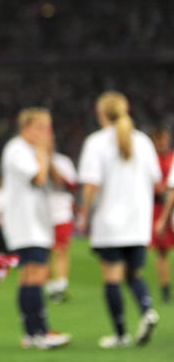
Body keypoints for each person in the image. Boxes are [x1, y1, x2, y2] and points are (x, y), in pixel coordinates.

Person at [77, 91, 161, 348]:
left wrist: (84, 213)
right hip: (138, 222)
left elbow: (92, 184)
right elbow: (156, 180)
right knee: (134, 274)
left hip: (109, 222)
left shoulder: (96, 142)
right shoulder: (143, 141)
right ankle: (147, 309)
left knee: (112, 277)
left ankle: (121, 333)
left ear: (100, 113)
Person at [0, 107, 71, 349]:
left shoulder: (28, 150)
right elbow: (38, 178)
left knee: (30, 276)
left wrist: (45, 152)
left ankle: (33, 332)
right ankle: (38, 331)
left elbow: (58, 181)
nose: (47, 133)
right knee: (35, 275)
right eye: (41, 127)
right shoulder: (17, 149)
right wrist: (42, 151)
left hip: (36, 224)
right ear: (26, 128)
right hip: (25, 224)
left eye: (48, 128)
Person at [45, 151, 77, 303]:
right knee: (46, 251)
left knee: (61, 249)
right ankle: (51, 287)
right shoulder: (32, 160)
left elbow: (71, 184)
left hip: (61, 212)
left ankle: (61, 286)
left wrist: (51, 165)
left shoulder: (63, 161)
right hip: (41, 213)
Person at [149, 125, 173, 303]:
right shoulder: (151, 160)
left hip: (169, 205)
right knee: (161, 251)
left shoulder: (172, 158)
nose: (163, 143)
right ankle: (165, 287)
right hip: (158, 207)